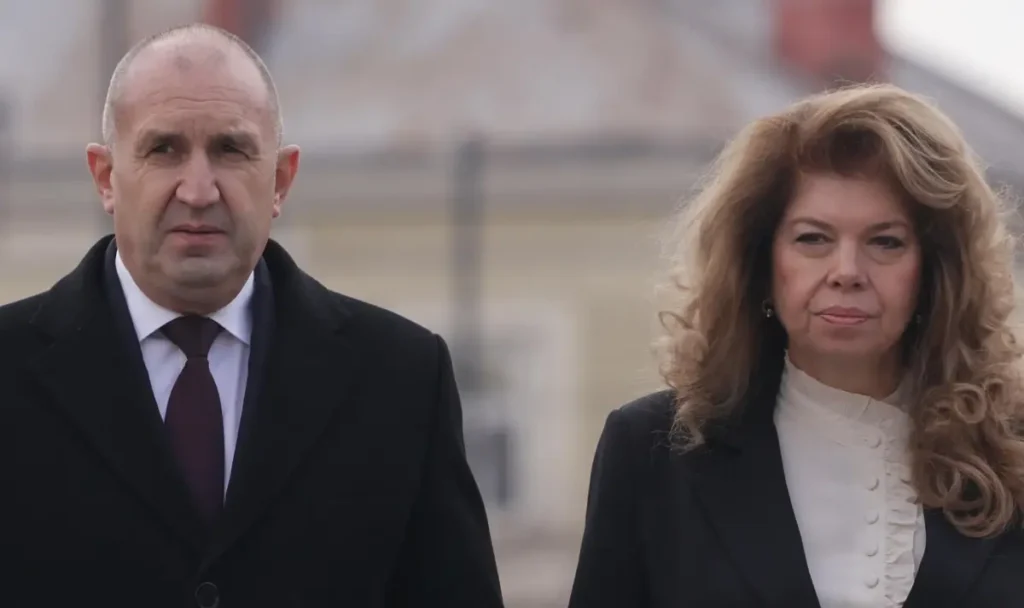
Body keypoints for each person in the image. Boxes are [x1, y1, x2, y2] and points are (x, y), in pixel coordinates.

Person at [0, 24, 503, 608]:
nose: (198, 190)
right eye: (164, 150)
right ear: (106, 178)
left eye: (230, 150)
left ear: (281, 181)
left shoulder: (400, 379)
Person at [568, 83, 1024, 607]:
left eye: (885, 242)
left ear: (934, 270)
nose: (847, 271)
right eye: (813, 238)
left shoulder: (1011, 451)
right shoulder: (652, 452)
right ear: (762, 262)